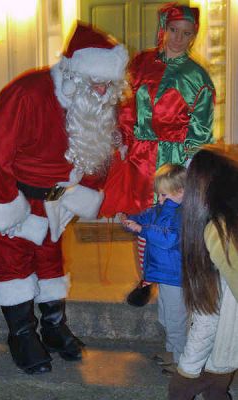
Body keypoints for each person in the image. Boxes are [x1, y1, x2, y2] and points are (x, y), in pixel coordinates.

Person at [0, 22, 129, 375]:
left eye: (108, 82)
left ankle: (52, 327)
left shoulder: (97, 102)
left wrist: (85, 193)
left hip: (54, 198)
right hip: (4, 189)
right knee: (11, 264)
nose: (100, 88)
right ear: (71, 71)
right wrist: (7, 207)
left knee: (49, 259)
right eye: (94, 79)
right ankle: (21, 334)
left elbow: (95, 153)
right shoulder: (28, 93)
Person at [101, 2, 216, 307]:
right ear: (164, 29)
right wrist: (123, 137)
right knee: (141, 217)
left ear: (193, 36)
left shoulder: (198, 77)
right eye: (174, 30)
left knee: (170, 222)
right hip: (139, 154)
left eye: (186, 33)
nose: (178, 38)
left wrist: (188, 167)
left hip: (174, 160)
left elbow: (202, 130)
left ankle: (172, 282)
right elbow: (125, 106)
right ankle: (145, 278)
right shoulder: (140, 64)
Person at [168, 144, 238, 400]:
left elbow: (208, 314)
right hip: (227, 352)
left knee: (182, 391)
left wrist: (186, 371)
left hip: (222, 350)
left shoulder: (217, 232)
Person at [120, 163, 187, 374]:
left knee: (177, 320)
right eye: (158, 194)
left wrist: (142, 229)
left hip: (176, 277)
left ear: (181, 192)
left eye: (163, 195)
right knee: (166, 317)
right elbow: (145, 217)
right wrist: (130, 219)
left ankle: (182, 361)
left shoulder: (183, 213)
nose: (159, 199)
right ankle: (171, 350)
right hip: (163, 275)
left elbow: (169, 239)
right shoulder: (162, 208)